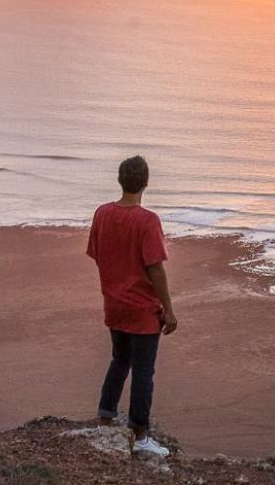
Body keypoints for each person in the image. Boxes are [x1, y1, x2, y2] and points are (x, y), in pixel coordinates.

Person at [86, 155, 179, 458]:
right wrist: (168, 308)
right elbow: (155, 269)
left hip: (114, 305)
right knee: (142, 372)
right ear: (146, 183)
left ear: (120, 179)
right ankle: (140, 435)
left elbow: (97, 254)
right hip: (141, 310)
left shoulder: (101, 214)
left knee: (119, 361)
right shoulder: (147, 220)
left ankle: (104, 418)